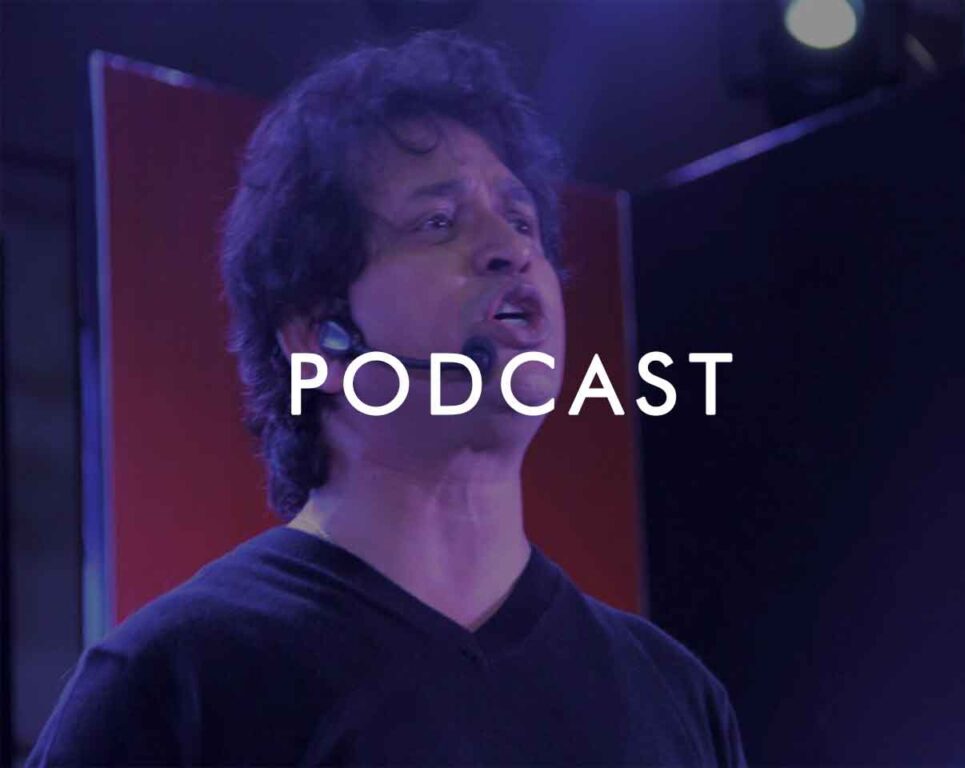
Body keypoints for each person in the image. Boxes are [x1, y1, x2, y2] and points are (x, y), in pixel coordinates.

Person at [28, 31, 746, 766]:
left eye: (522, 220)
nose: (511, 249)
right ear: (319, 339)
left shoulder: (675, 696)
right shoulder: (176, 682)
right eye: (437, 222)